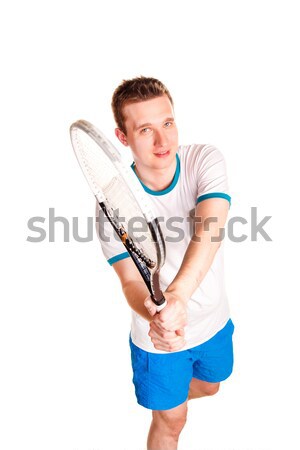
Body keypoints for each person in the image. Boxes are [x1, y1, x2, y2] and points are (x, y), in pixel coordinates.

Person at [95, 76, 234, 450]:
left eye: (168, 123)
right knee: (172, 422)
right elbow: (128, 280)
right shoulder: (112, 204)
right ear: (123, 138)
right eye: (145, 130)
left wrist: (179, 297)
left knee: (212, 385)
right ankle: (167, 407)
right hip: (159, 343)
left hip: (213, 322)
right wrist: (153, 314)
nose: (163, 141)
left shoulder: (203, 159)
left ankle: (170, 398)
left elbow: (212, 225)